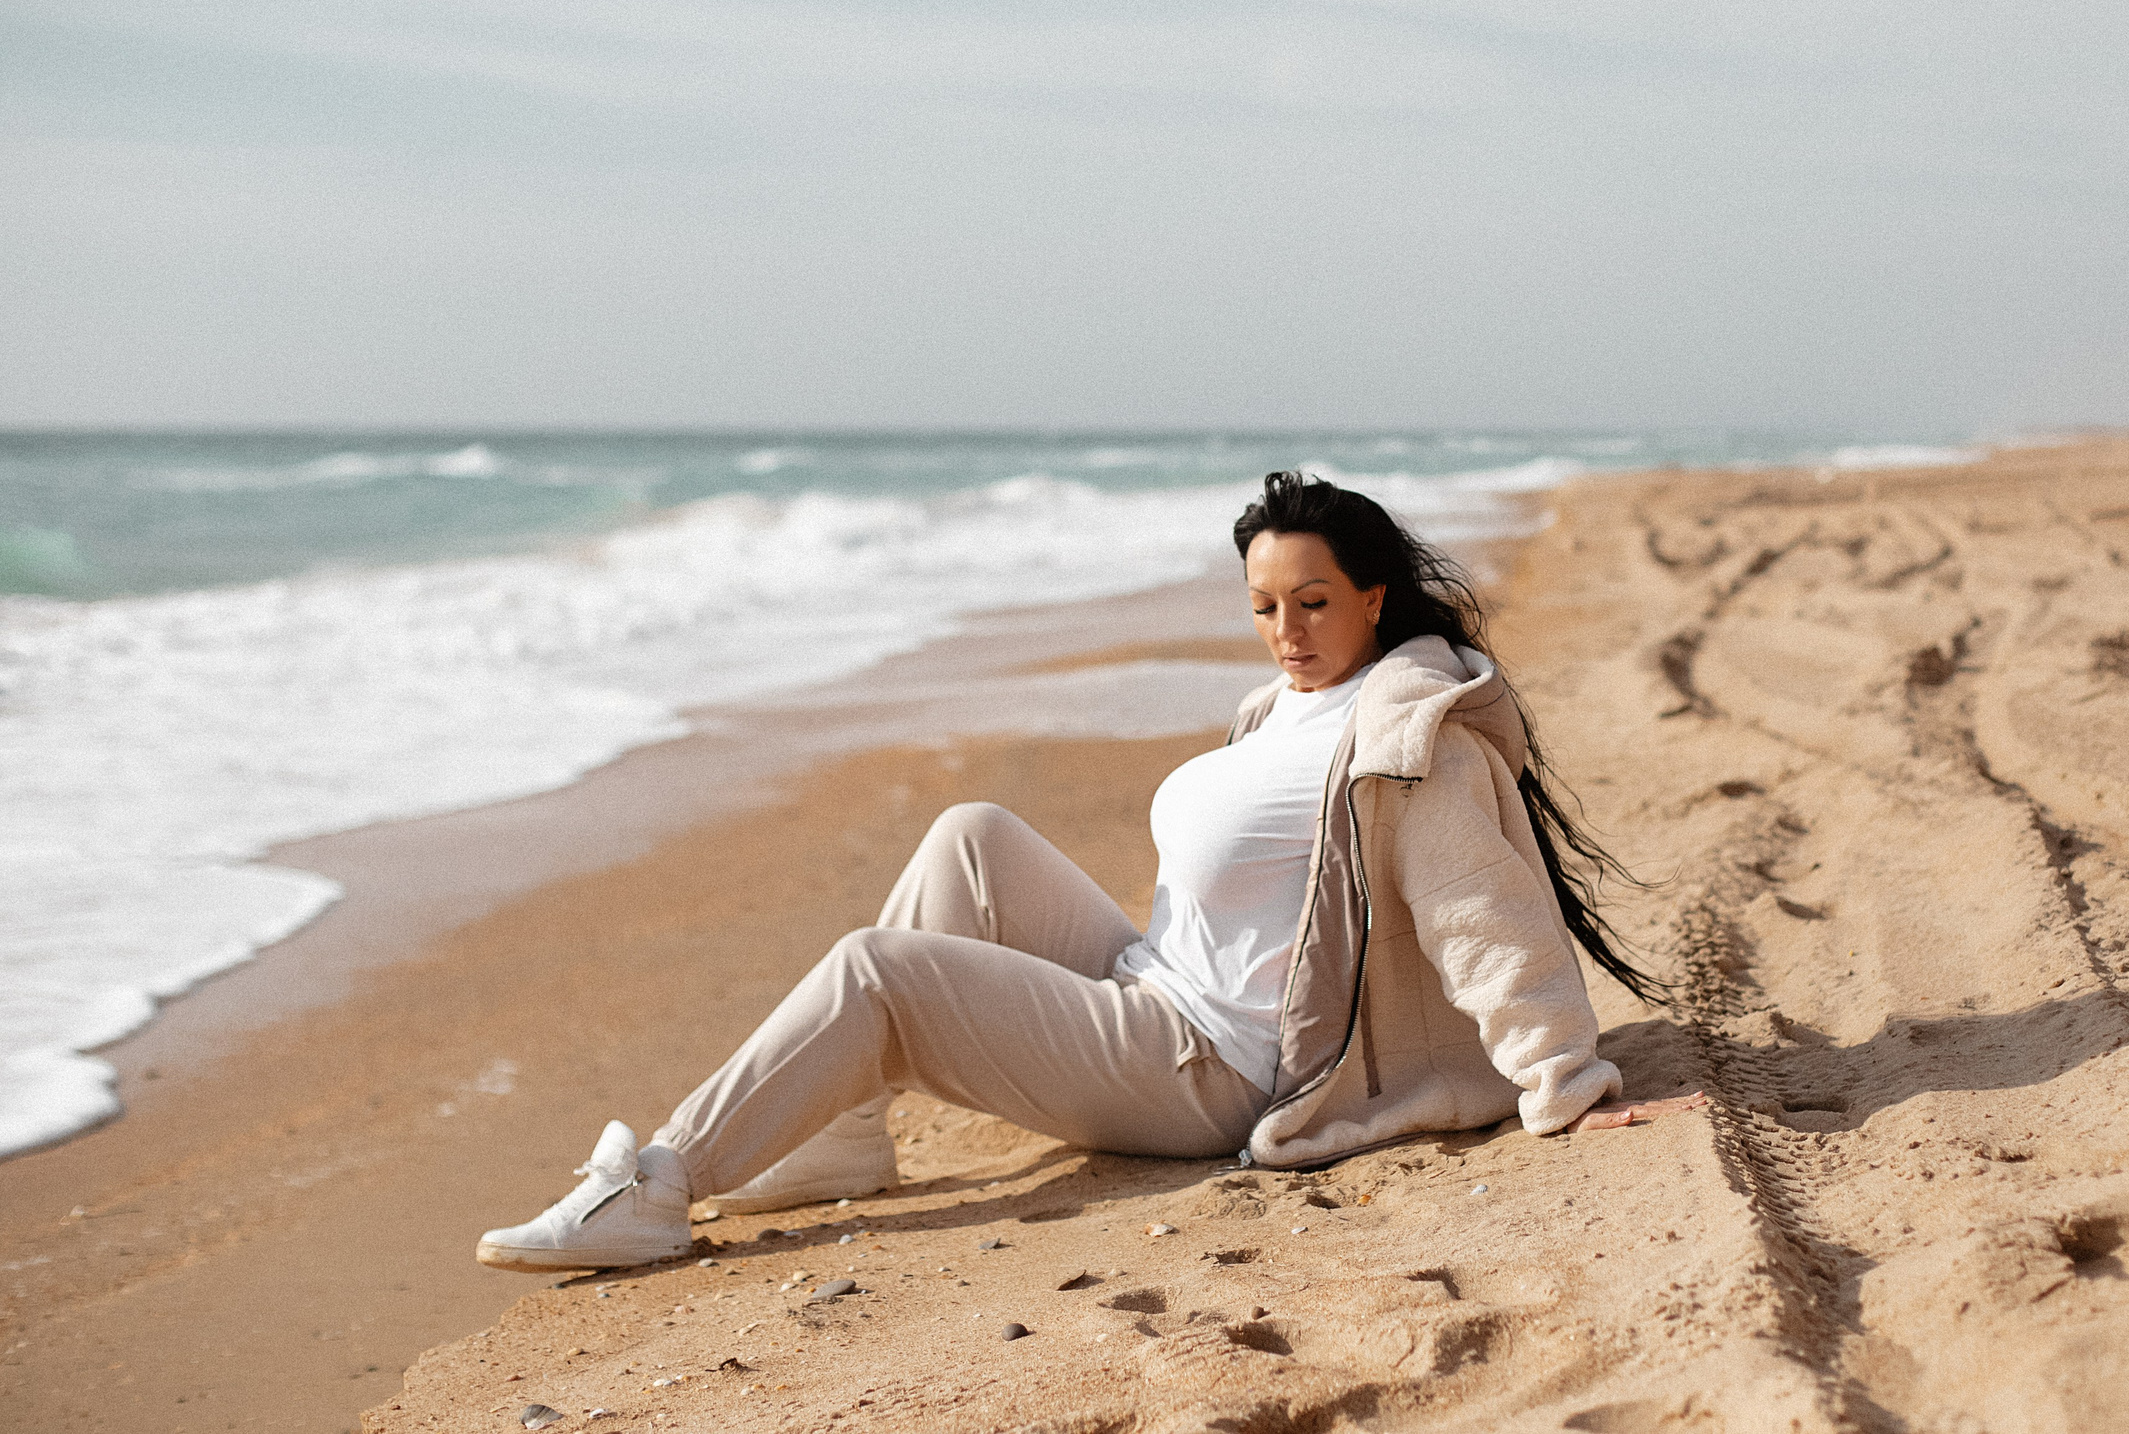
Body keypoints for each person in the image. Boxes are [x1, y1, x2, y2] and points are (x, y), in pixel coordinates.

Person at [477, 471, 1693, 1272]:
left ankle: (661, 1183)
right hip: (1148, 985)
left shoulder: (1405, 740)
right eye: (1264, 606)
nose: (1286, 631)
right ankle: (844, 1138)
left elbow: (1482, 910)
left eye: (1314, 602)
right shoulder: (1279, 707)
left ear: (1373, 597)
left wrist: (1563, 1081)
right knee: (972, 834)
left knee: (879, 971)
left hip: (1212, 1068)